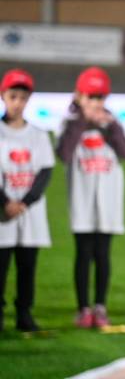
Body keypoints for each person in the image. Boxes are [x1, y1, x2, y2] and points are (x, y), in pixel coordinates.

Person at [56, 67, 125, 329]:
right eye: (90, 97)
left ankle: (100, 306)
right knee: (83, 253)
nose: (96, 103)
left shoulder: (111, 122)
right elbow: (64, 154)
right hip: (82, 199)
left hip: (108, 201)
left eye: (100, 97)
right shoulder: (69, 123)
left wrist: (108, 126)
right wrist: (81, 122)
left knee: (102, 254)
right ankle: (83, 308)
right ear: (79, 96)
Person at [0, 69, 55, 332]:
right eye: (13, 96)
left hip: (28, 211)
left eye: (23, 98)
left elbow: (45, 171)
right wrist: (5, 202)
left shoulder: (38, 135)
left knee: (27, 266)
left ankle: (24, 313)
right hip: (3, 212)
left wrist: (25, 202)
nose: (18, 103)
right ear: (3, 96)